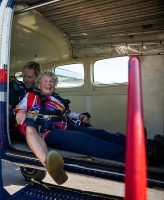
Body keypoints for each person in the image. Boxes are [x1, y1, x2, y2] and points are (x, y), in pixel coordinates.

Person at [14, 71, 164, 185]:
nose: (49, 84)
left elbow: (67, 113)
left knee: (99, 133)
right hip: (49, 132)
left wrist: (79, 117)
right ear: (39, 84)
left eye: (52, 81)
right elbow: (19, 110)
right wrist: (21, 111)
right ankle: (140, 156)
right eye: (46, 81)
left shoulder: (56, 99)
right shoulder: (32, 96)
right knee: (84, 139)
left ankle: (148, 144)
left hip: (68, 125)